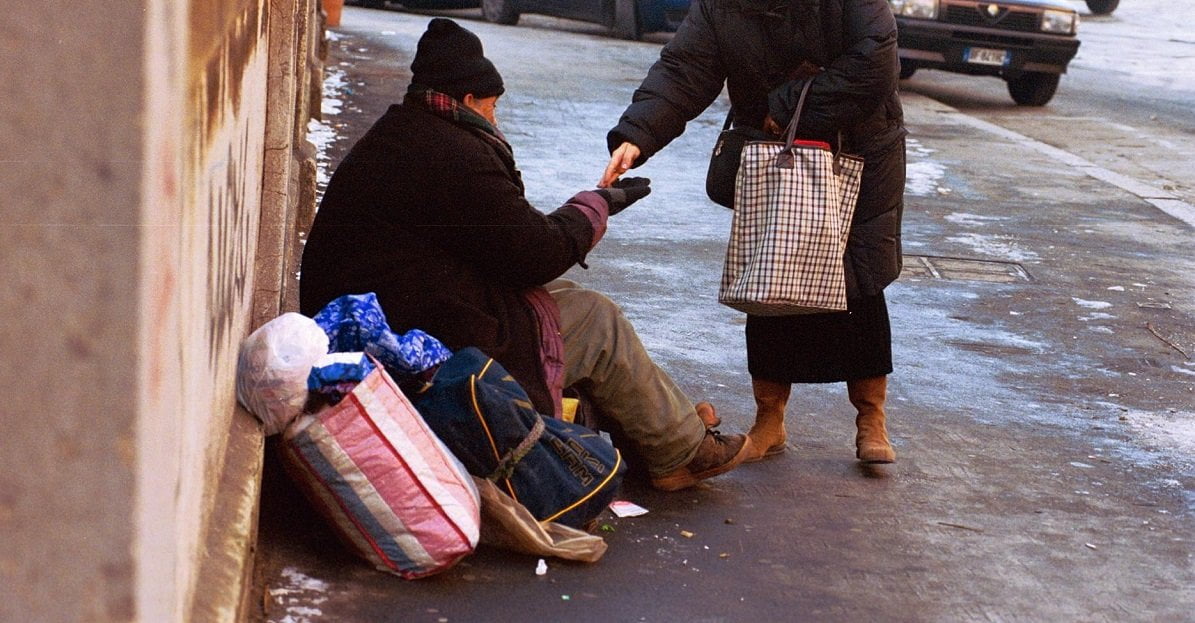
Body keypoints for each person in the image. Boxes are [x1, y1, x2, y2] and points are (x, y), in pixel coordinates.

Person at [299, 18, 751, 491]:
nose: (494, 118)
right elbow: (533, 252)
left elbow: (505, 237)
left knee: (561, 296)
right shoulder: (450, 153)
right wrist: (595, 205)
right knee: (596, 320)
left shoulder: (407, 133)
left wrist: (585, 210)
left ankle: (662, 424)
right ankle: (678, 453)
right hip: (414, 342)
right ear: (469, 100)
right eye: (492, 107)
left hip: (395, 314)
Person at [599, 0, 906, 464]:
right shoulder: (721, 5)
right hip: (773, 155)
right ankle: (770, 419)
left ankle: (871, 418)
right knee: (771, 275)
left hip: (860, 150)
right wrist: (637, 135)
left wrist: (784, 106)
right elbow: (684, 69)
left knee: (858, 282)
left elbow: (875, 61)